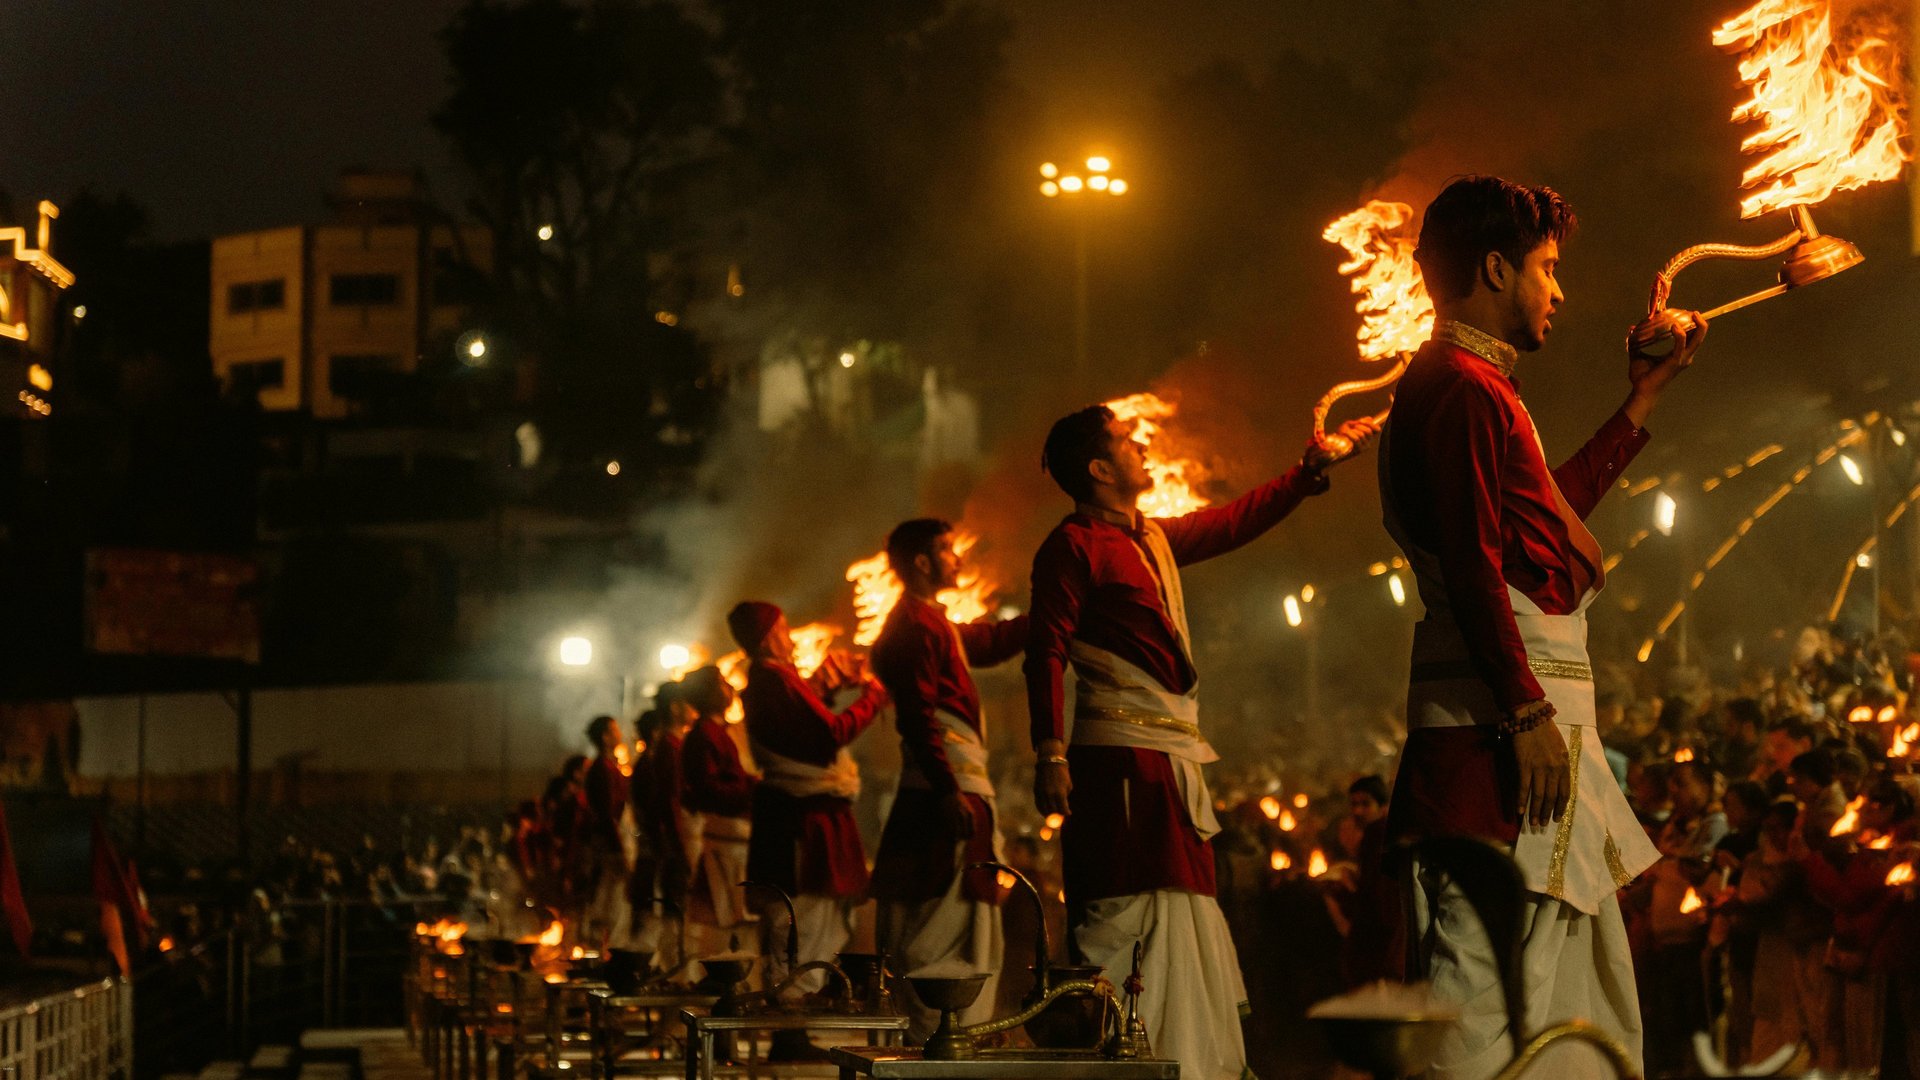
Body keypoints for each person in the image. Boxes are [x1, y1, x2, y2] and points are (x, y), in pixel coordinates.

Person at [1378, 175, 1708, 1079]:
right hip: (1500, 749)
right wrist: (1525, 714)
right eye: (1548, 268)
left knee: (1565, 1008)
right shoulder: (1461, 386)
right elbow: (1477, 563)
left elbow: (1538, 530)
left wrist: (1641, 401)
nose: (1559, 290)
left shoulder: (1474, 385)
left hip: (1524, 740)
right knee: (1475, 1013)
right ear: (1496, 268)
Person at [1024, 400, 1377, 1080]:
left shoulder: (1148, 538)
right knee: (1132, 911)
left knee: (1184, 909)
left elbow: (1231, 523)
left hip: (1172, 760)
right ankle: (1137, 1061)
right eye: (1128, 444)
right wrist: (1049, 750)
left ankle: (1198, 1064)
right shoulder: (1071, 547)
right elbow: (1044, 653)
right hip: (1120, 761)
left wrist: (1306, 474)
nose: (1143, 448)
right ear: (1099, 469)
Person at [869, 518, 1028, 1041]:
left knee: (957, 922)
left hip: (948, 793)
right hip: (946, 798)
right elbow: (918, 716)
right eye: (947, 550)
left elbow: (989, 641)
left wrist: (1052, 612)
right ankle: (941, 1044)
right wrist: (947, 790)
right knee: (944, 927)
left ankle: (952, 1039)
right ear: (921, 561)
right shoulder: (914, 626)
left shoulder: (931, 622)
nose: (957, 560)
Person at [732, 601, 889, 999]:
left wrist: (825, 685)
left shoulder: (775, 681)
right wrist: (874, 695)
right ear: (769, 638)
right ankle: (794, 1007)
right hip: (803, 819)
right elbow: (829, 734)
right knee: (806, 914)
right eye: (784, 629)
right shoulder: (774, 680)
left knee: (812, 916)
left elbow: (804, 727)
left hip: (799, 812)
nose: (790, 636)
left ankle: (795, 1005)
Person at [677, 665, 758, 956]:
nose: (730, 688)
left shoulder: (716, 732)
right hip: (726, 842)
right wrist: (751, 791)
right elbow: (709, 788)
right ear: (710, 693)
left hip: (735, 838)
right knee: (730, 927)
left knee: (741, 926)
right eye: (723, 683)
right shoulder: (703, 735)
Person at [581, 714, 637, 949]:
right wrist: (618, 850)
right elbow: (607, 814)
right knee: (613, 903)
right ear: (605, 737)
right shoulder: (602, 769)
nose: (619, 735)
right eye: (614, 730)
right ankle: (611, 953)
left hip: (614, 840)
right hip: (611, 844)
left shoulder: (609, 766)